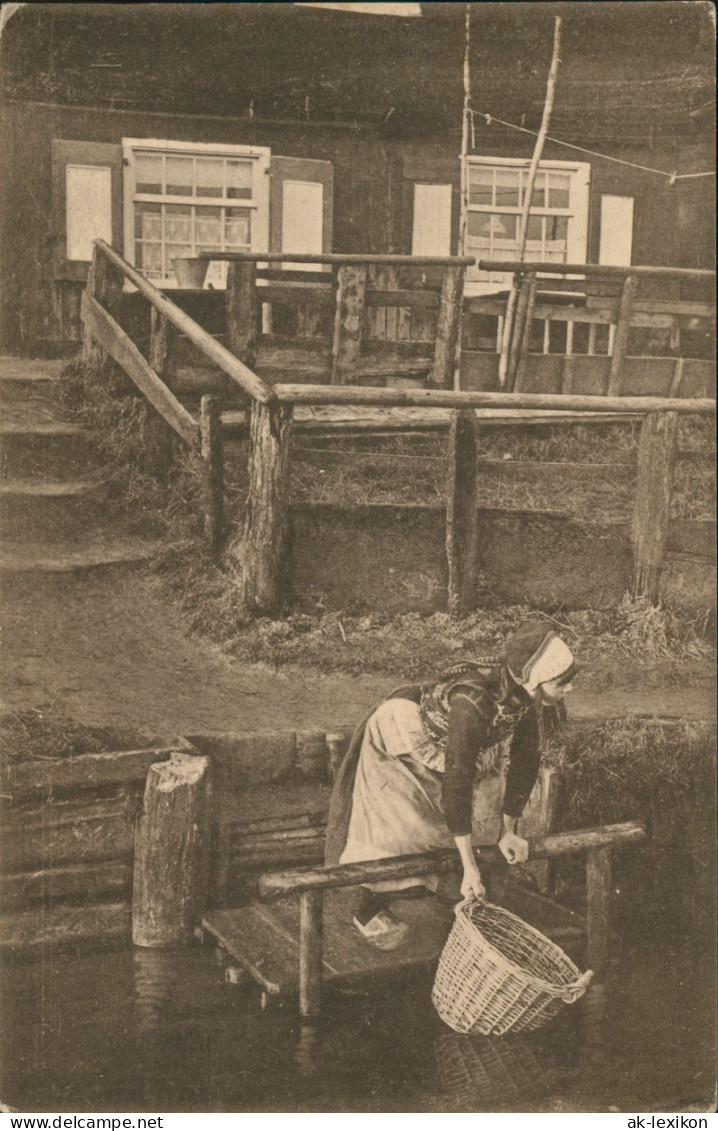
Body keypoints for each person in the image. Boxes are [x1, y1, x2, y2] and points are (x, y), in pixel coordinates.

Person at [324, 620, 576, 951]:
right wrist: (470, 865)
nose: (568, 690)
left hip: (449, 747)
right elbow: (457, 780)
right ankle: (366, 906)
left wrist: (509, 831)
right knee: (403, 829)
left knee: (458, 831)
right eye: (561, 683)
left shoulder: (524, 699)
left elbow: (527, 762)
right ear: (537, 680)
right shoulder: (472, 701)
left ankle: (452, 898)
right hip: (402, 737)